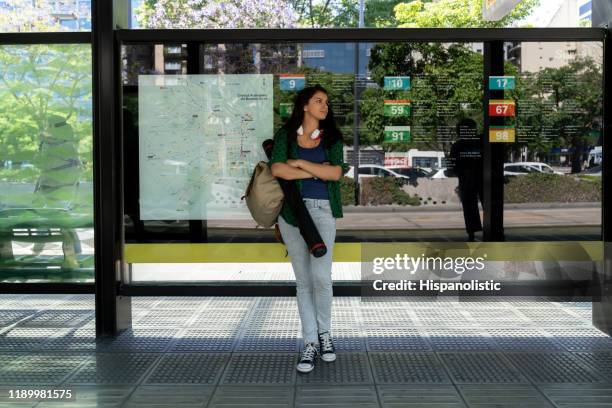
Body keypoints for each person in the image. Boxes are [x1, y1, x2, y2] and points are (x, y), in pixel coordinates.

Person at [269, 84, 348, 373]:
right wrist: (318, 169)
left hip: (324, 211)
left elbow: (336, 173)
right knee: (303, 282)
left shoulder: (333, 138)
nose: (324, 106)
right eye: (318, 101)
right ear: (304, 106)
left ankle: (326, 335)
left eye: (326, 102)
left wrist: (300, 162)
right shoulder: (285, 136)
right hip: (292, 214)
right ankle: (310, 343)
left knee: (322, 278)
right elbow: (278, 169)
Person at [449, 118, 483, 242]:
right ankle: (486, 232)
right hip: (480, 179)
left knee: (469, 208)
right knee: (480, 205)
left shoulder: (457, 146)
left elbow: (452, 166)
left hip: (466, 180)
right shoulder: (480, 142)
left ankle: (472, 234)